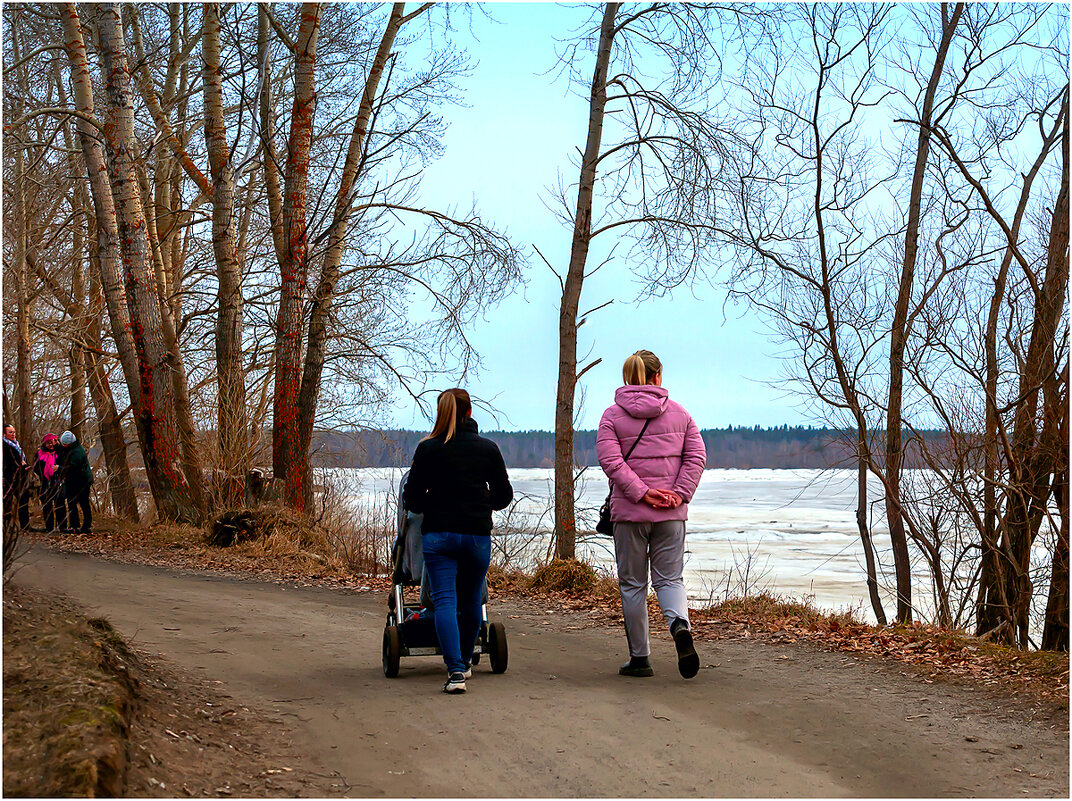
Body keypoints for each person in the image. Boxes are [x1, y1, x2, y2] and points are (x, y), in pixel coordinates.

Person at [596, 350, 707, 679]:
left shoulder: (611, 417)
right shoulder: (681, 414)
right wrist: (678, 494)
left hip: (630, 515)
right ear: (658, 377)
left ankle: (640, 659)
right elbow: (696, 456)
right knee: (670, 579)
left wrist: (641, 493)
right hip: (671, 515)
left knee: (632, 585)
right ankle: (679, 626)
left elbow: (611, 461)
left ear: (627, 378)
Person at [403, 388, 513, 694]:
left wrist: (434, 503)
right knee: (470, 601)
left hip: (439, 536)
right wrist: (480, 501)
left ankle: (454, 673)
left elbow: (412, 499)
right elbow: (504, 496)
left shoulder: (428, 449)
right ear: (470, 413)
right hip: (477, 535)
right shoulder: (487, 449)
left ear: (441, 413)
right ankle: (465, 661)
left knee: (446, 602)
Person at [58, 430, 93, 534]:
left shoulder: (77, 453)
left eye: (65, 444)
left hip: (81, 481)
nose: (63, 446)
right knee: (75, 503)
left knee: (80, 503)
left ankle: (83, 526)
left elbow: (72, 467)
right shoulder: (73, 448)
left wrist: (59, 468)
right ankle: (75, 525)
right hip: (76, 480)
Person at [33, 433, 67, 533]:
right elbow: (36, 468)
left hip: (58, 481)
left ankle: (62, 527)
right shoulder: (39, 454)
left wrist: (58, 469)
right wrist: (45, 470)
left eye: (52, 442)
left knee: (60, 505)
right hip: (45, 483)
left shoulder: (60, 451)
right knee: (47, 506)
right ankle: (49, 527)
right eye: (48, 443)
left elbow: (66, 465)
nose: (51, 445)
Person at [3, 423, 31, 530]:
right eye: (10, 432)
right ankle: (7, 526)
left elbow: (22, 459)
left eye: (14, 432)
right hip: (9, 477)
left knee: (23, 499)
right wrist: (18, 464)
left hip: (20, 477)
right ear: (4, 434)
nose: (13, 434)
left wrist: (26, 465)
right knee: (8, 502)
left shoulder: (16, 445)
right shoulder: (4, 446)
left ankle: (25, 525)